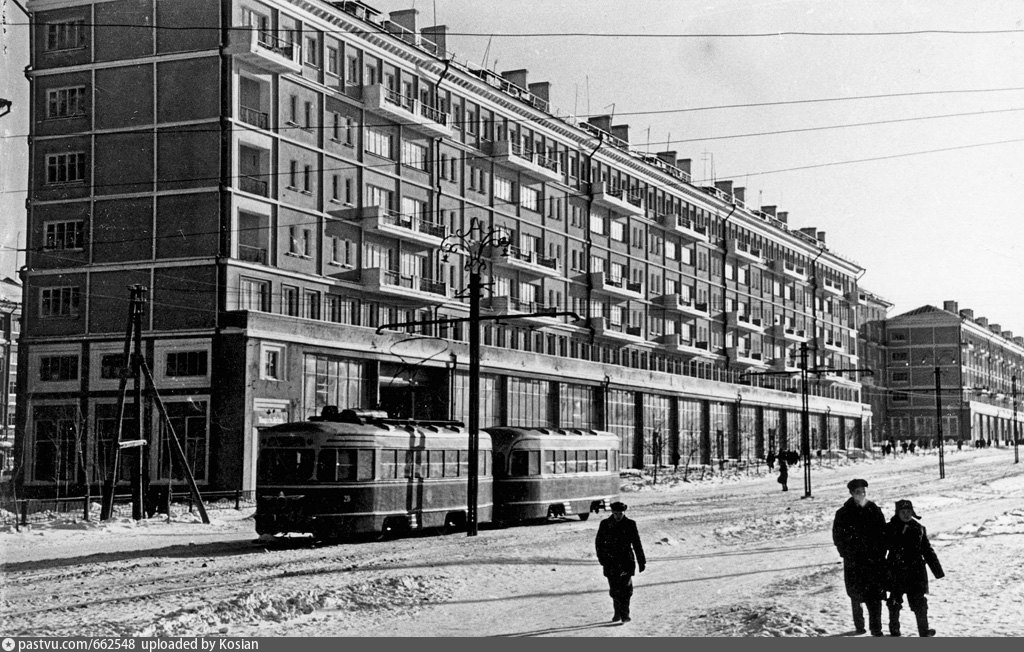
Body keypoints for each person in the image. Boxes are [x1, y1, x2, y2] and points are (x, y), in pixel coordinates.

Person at [832, 478, 887, 636]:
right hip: (854, 561)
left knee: (875, 595)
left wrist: (880, 552)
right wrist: (846, 553)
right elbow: (838, 537)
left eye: (863, 491)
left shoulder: (873, 509)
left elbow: (882, 532)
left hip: (873, 560)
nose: (861, 494)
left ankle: (876, 629)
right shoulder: (843, 513)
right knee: (856, 595)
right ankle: (859, 625)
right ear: (851, 493)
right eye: (857, 492)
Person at [885, 499, 944, 637]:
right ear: (897, 513)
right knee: (894, 602)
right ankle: (894, 630)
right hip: (896, 570)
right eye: (903, 512)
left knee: (920, 603)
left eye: (909, 512)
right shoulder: (890, 528)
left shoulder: (919, 528)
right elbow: (883, 548)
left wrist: (937, 571)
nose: (906, 515)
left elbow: (927, 550)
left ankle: (924, 631)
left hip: (915, 572)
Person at [595, 501, 646, 623]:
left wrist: (641, 561)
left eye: (620, 513)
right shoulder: (605, 524)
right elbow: (599, 543)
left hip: (626, 561)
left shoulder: (630, 524)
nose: (618, 516)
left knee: (626, 589)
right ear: (612, 512)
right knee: (614, 589)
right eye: (616, 513)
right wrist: (602, 559)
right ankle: (617, 612)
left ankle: (625, 614)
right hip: (610, 562)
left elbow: (636, 543)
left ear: (624, 512)